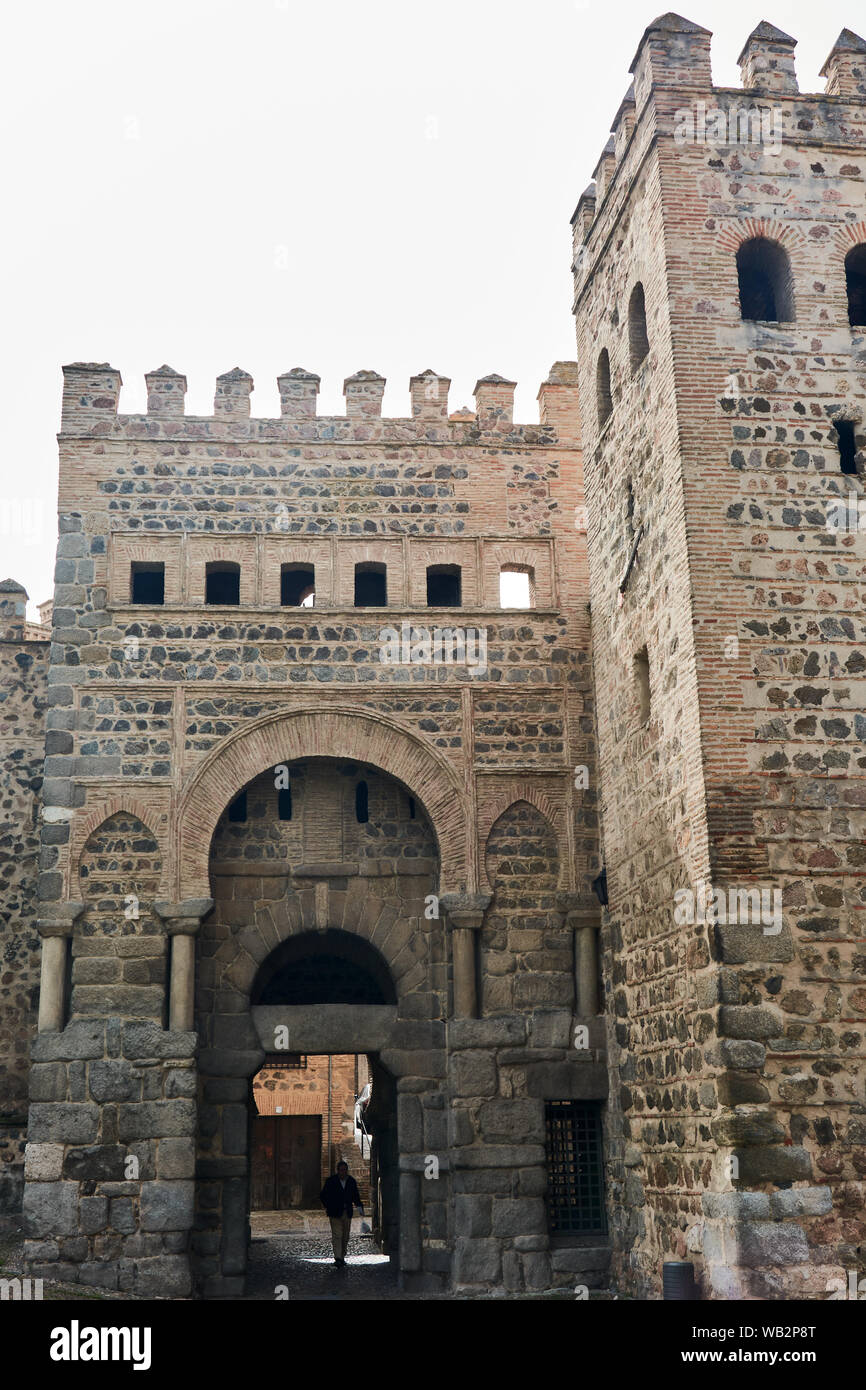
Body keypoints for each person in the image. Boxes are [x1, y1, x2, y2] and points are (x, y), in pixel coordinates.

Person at [320, 1160, 364, 1266]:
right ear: (338, 1171)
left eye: (344, 1170)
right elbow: (323, 1195)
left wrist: (359, 1207)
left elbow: (355, 1195)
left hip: (347, 1212)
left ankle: (342, 1255)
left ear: (347, 1171)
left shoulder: (351, 1181)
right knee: (337, 1235)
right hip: (334, 1212)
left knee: (345, 1236)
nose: (343, 1173)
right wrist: (328, 1206)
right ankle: (338, 1257)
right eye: (341, 1170)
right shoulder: (331, 1181)